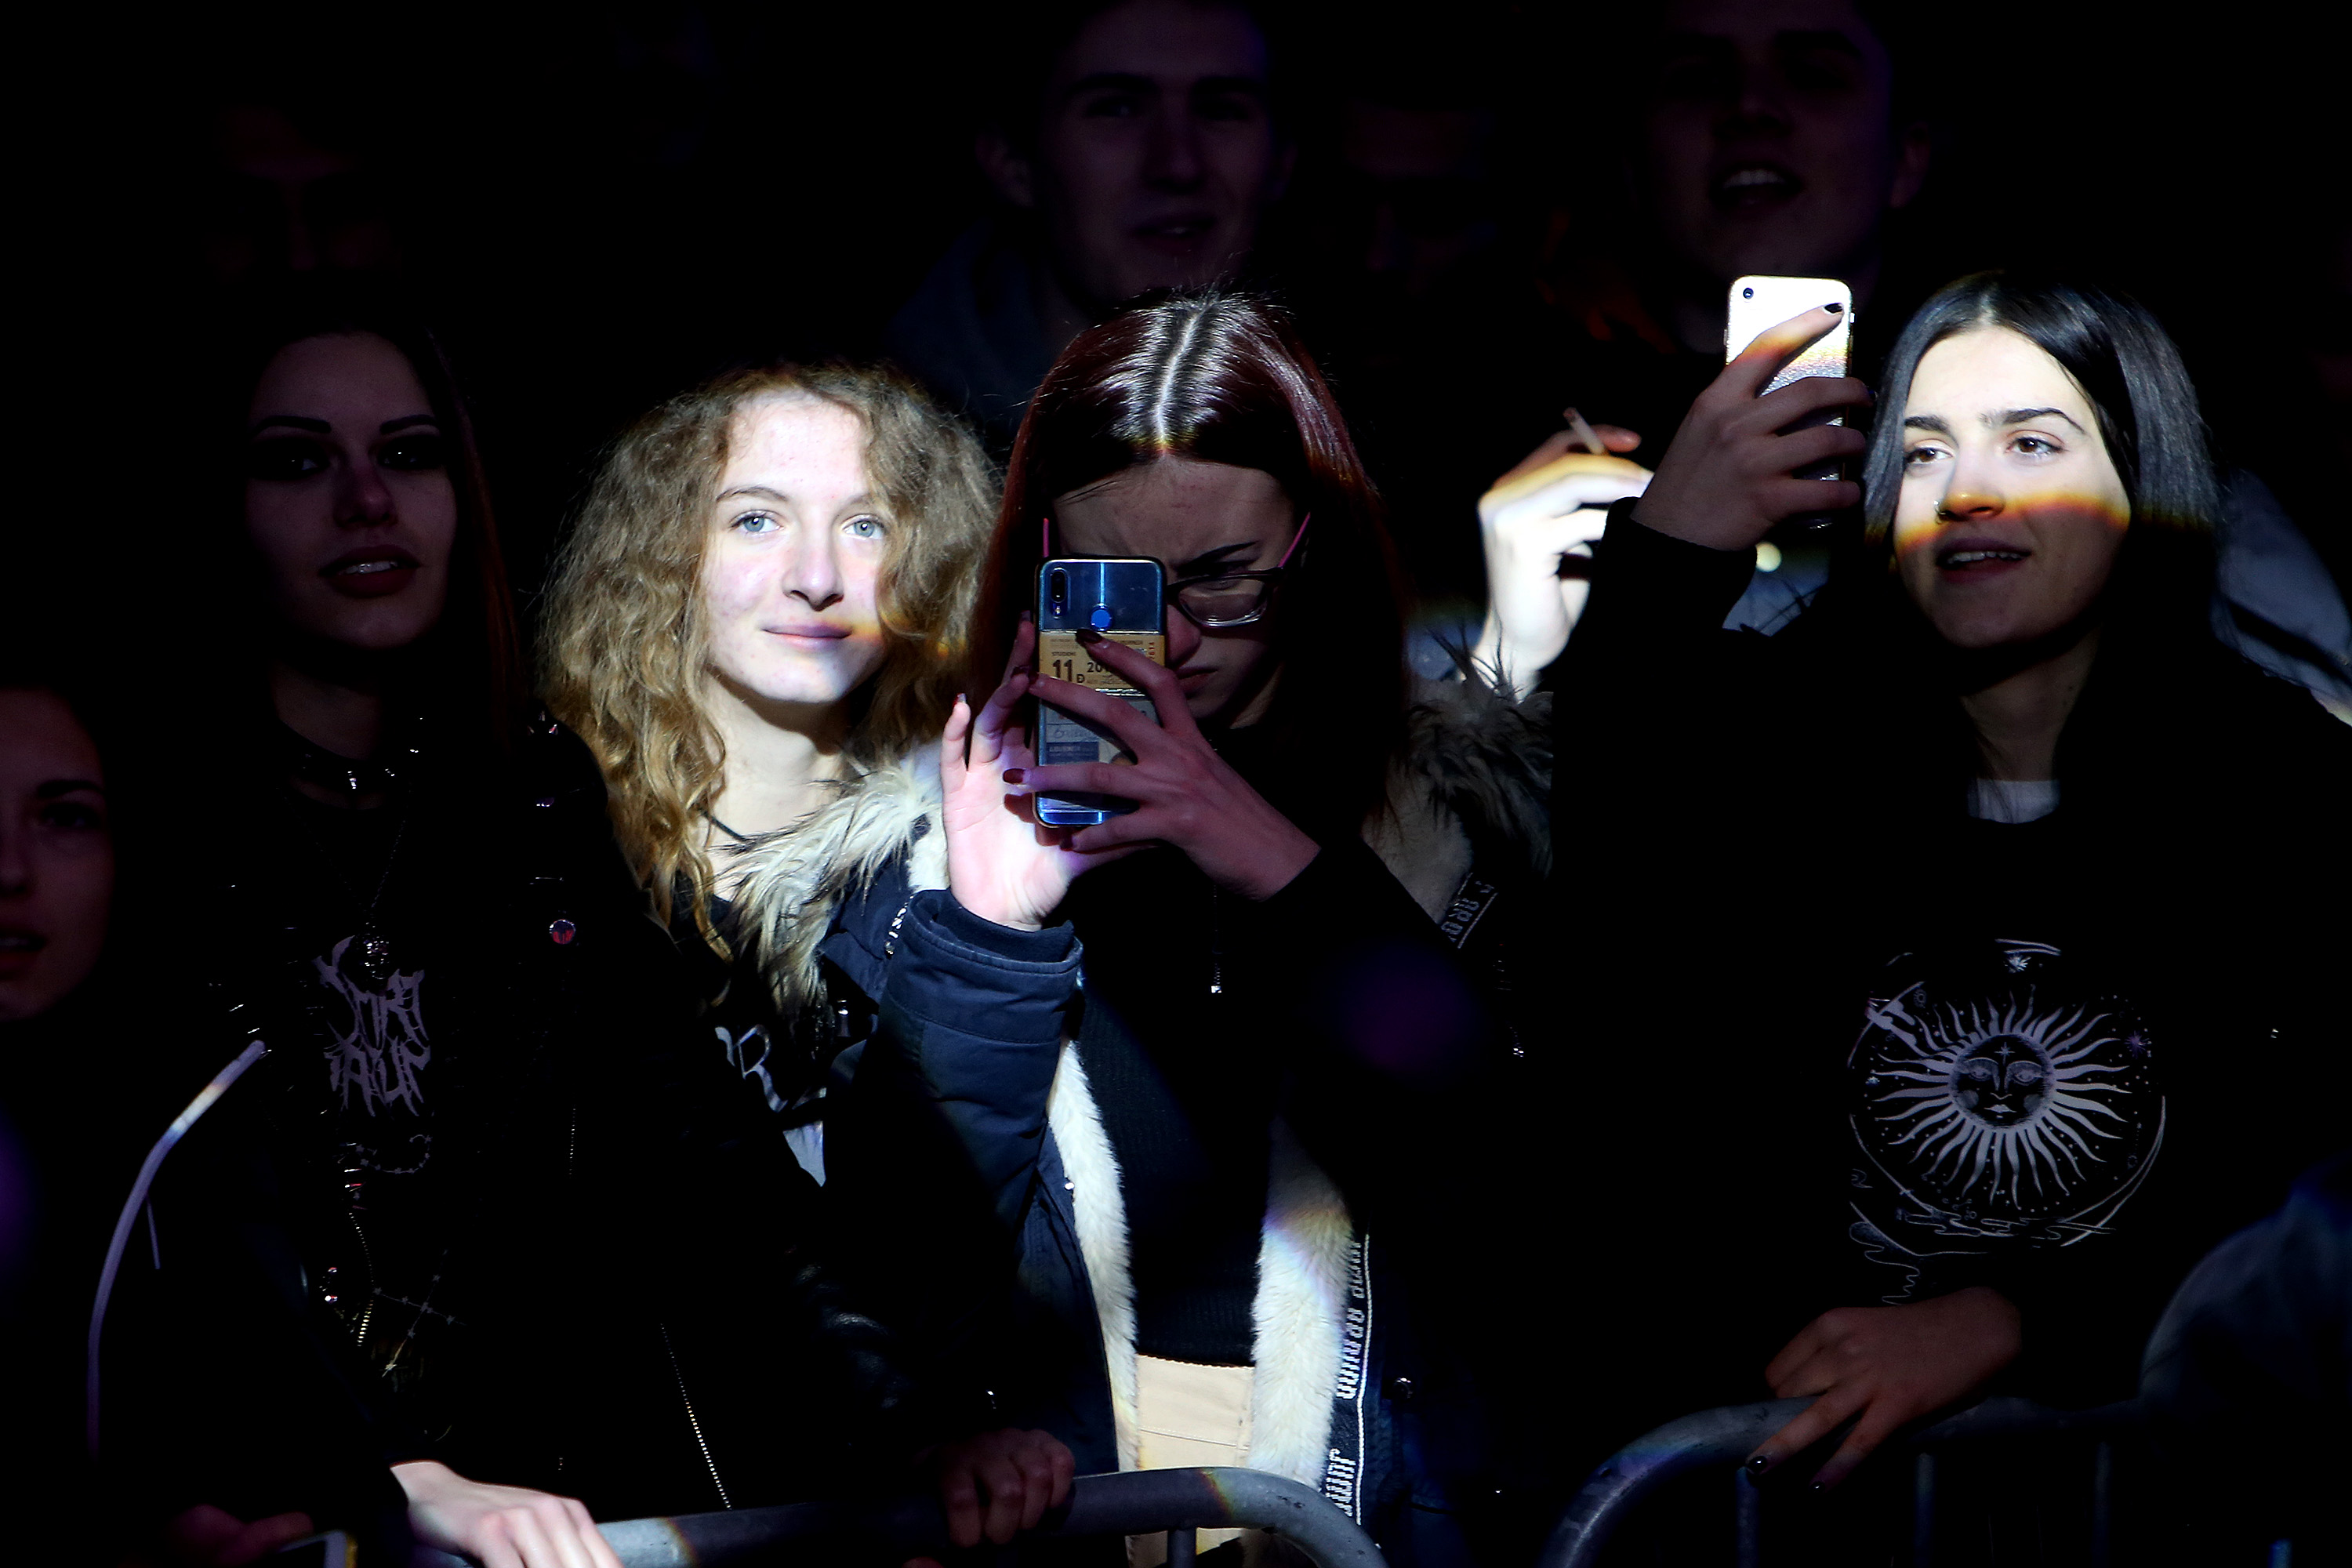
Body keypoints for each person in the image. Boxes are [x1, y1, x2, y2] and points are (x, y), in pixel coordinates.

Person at [1540, 275, 2352, 1552]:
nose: (1969, 491)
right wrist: (1674, 543)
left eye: (2033, 444)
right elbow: (1609, 876)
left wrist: (2023, 1319)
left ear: (2147, 482)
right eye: (1922, 454)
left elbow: (2303, 1165)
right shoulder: (1780, 761)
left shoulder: (2281, 785)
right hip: (1810, 1522)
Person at [830, 291, 1550, 1565]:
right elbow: (897, 1287)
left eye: (1220, 578)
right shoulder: (951, 851)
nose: (1165, 641)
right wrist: (988, 937)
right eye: (1113, 588)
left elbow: (1512, 1190)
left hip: (1377, 1500)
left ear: (1314, 549)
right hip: (1076, 1510)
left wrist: (1257, 848)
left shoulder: (1459, 826)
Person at [538, 360, 1072, 1536]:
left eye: (868, 523)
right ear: (663, 553)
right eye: (756, 518)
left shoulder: (970, 857)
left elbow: (976, 1259)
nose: (819, 576)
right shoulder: (557, 869)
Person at [887, 0, 1293, 453]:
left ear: (1283, 162)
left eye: (1221, 111)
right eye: (1116, 109)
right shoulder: (879, 449)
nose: (1179, 164)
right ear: (1013, 163)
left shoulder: (1353, 450)